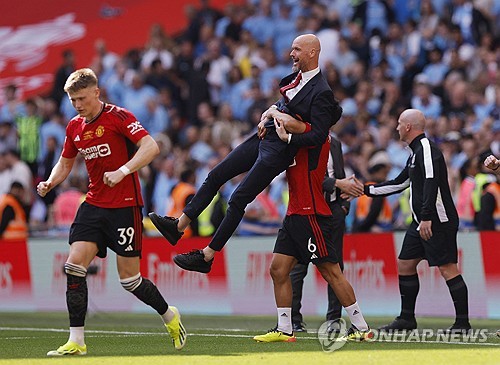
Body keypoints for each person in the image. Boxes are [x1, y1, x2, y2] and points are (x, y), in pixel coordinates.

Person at [149, 34, 342, 274]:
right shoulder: (295, 78)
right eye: (292, 49)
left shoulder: (321, 91)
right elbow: (284, 105)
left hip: (279, 151)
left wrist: (289, 136)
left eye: (297, 49)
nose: (292, 54)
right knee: (216, 174)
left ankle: (207, 255)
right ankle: (178, 226)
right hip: (263, 137)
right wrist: (269, 113)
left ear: (313, 53)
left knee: (238, 198)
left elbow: (318, 134)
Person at [37, 68, 186, 356]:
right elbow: (66, 163)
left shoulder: (119, 117)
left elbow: (151, 146)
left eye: (81, 98)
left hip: (125, 205)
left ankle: (169, 315)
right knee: (74, 266)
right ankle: (76, 341)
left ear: (96, 92)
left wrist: (123, 170)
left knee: (130, 281)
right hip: (94, 204)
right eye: (72, 100)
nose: (78, 105)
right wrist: (51, 181)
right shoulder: (74, 127)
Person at [253, 121, 371, 343]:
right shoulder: (302, 138)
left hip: (311, 214)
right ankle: (286, 328)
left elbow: (295, 134)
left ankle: (360, 326)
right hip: (294, 214)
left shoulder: (316, 139)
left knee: (331, 272)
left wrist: (275, 124)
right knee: (278, 270)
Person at [361, 109, 470, 333]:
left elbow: (431, 182)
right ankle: (407, 319)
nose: (397, 128)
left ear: (409, 127)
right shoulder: (414, 153)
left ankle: (462, 323)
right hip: (421, 220)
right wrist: (363, 190)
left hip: (437, 219)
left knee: (448, 267)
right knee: (405, 264)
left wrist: (427, 217)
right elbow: (400, 184)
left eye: (400, 124)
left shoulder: (427, 149)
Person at [290, 134, 363, 333]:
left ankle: (334, 319)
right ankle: (294, 320)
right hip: (307, 212)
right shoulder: (304, 140)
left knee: (335, 266)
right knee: (298, 267)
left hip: (332, 212)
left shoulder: (336, 143)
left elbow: (339, 173)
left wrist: (344, 205)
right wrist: (338, 184)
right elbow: (306, 176)